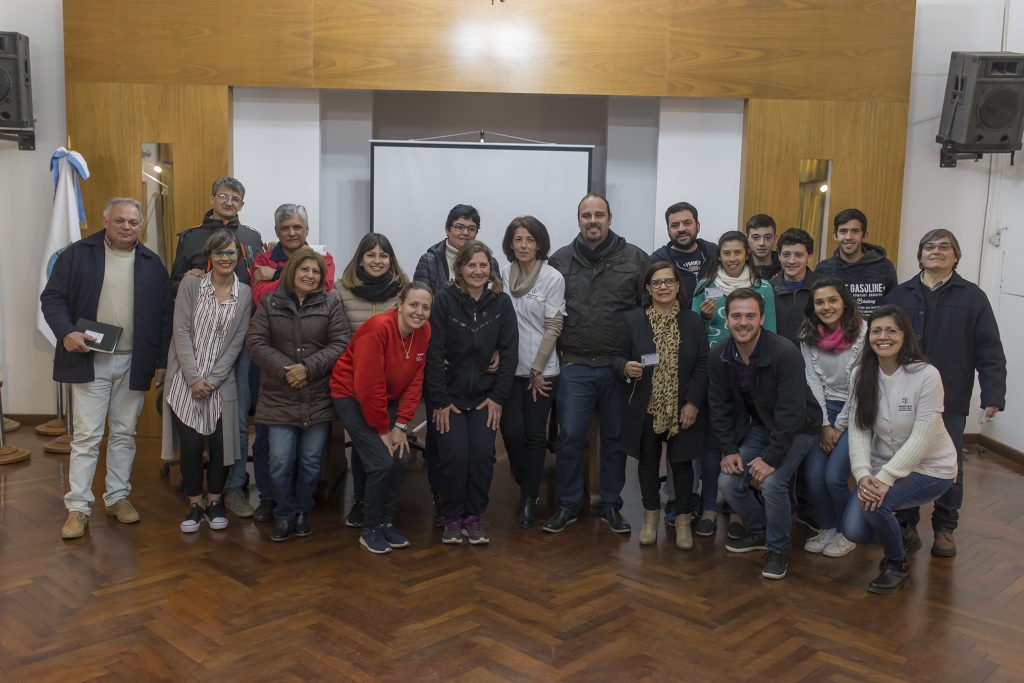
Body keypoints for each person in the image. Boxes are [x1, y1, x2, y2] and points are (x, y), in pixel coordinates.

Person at [40, 198, 171, 539]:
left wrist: (160, 363)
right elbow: (51, 298)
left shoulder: (152, 263)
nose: (127, 226)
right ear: (105, 220)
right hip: (90, 359)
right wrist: (66, 332)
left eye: (133, 222)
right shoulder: (77, 254)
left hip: (134, 361)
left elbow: (164, 318)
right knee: (86, 436)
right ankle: (78, 509)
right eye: (120, 220)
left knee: (125, 433)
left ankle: (117, 498)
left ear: (140, 225)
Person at [881, 229, 1006, 557]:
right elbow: (877, 341)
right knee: (904, 458)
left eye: (944, 247)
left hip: (949, 396)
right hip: (903, 395)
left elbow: (989, 349)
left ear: (955, 256)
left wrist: (993, 393)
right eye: (929, 247)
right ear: (920, 254)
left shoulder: (973, 297)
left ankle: (945, 527)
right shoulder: (899, 295)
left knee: (950, 464)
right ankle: (906, 522)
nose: (936, 251)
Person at [543, 193, 649, 535]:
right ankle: (568, 504)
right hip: (574, 365)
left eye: (598, 215)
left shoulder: (635, 259)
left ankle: (611, 505)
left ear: (609, 217)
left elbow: (649, 313)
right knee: (570, 437)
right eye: (586, 215)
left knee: (615, 439)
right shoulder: (559, 260)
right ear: (578, 220)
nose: (592, 221)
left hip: (617, 369)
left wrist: (645, 362)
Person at [840, 305, 958, 594]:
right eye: (876, 330)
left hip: (932, 467)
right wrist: (863, 473)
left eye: (891, 330)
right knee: (853, 530)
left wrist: (884, 480)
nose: (883, 336)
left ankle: (896, 564)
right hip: (883, 466)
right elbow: (858, 429)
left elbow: (923, 437)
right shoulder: (860, 374)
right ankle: (902, 531)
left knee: (877, 506)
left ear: (905, 335)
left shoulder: (927, 375)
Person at [169, 177, 266, 520]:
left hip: (239, 340)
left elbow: (259, 284)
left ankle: (232, 486)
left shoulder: (253, 238)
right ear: (211, 198)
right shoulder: (192, 236)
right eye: (222, 196)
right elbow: (174, 284)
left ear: (242, 203)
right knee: (194, 418)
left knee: (236, 419)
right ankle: (196, 483)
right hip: (198, 340)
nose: (228, 201)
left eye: (235, 197)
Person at [711, 289, 821, 580]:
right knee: (728, 481)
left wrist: (771, 457)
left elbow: (792, 413)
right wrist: (729, 449)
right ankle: (759, 531)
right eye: (736, 315)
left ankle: (778, 549)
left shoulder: (785, 352)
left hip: (799, 426)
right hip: (762, 424)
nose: (743, 322)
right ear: (727, 319)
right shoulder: (719, 354)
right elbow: (718, 405)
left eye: (750, 315)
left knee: (771, 483)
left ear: (762, 318)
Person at [246, 247, 351, 541]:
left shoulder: (331, 304)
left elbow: (341, 343)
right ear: (292, 271)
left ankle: (303, 510)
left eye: (316, 271)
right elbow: (254, 342)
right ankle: (284, 513)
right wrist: (286, 369)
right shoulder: (271, 302)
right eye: (304, 269)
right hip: (278, 395)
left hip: (316, 396)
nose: (310, 275)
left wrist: (307, 367)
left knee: (310, 462)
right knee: (279, 460)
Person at [413, 204, 499, 525]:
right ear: (448, 228)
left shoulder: (487, 260)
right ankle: (441, 499)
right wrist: (440, 346)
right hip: (442, 353)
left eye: (471, 228)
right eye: (459, 227)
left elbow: (495, 301)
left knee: (474, 448)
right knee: (440, 438)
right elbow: (424, 303)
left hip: (477, 362)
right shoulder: (429, 260)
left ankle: (467, 505)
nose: (465, 232)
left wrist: (498, 349)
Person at [161, 229, 252, 532]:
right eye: (219, 252)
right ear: (210, 257)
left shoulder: (246, 294)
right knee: (190, 446)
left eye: (230, 252)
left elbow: (237, 343)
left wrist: (211, 380)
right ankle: (194, 504)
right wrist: (193, 378)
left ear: (238, 255)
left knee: (218, 445)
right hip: (185, 380)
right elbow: (181, 331)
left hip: (220, 383)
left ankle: (214, 501)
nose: (225, 258)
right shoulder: (191, 284)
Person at [427, 240, 518, 544]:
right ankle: (452, 517)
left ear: (490, 269)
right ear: (460, 268)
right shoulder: (443, 301)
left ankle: (473, 517)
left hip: (484, 399)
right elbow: (433, 353)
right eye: (471, 265)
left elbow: (510, 353)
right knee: (454, 455)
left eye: (483, 265)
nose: (478, 271)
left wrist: (497, 398)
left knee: (482, 455)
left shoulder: (501, 303)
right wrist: (439, 402)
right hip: (448, 400)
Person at [331, 283, 432, 554]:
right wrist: (383, 429)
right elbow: (368, 386)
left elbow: (415, 381)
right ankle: (370, 529)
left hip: (385, 400)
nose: (419, 312)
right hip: (351, 396)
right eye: (413, 305)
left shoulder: (424, 331)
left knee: (399, 459)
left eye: (425, 307)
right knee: (381, 463)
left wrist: (401, 426)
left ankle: (386, 522)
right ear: (400, 304)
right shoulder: (378, 328)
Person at [614, 262, 708, 549]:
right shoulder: (632, 320)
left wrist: (692, 402)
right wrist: (625, 367)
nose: (663, 287)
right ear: (647, 288)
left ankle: (682, 521)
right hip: (647, 405)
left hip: (682, 407)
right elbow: (616, 357)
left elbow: (703, 364)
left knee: (681, 465)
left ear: (678, 286)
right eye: (657, 283)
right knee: (648, 462)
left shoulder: (692, 321)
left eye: (669, 282)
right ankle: (651, 518)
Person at [690, 231, 776, 539]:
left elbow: (772, 332)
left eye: (738, 253)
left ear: (747, 254)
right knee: (715, 445)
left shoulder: (762, 287)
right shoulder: (704, 287)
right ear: (719, 256)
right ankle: (710, 506)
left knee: (748, 445)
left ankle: (741, 509)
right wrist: (701, 317)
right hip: (716, 373)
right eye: (726, 253)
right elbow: (692, 334)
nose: (732, 258)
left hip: (750, 378)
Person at [333, 232, 410, 528]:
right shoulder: (341, 290)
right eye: (371, 255)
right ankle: (361, 504)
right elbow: (338, 338)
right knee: (365, 446)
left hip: (391, 387)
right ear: (360, 259)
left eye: (383, 255)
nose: (377, 261)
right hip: (355, 385)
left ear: (391, 260)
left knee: (386, 450)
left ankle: (381, 509)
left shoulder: (403, 292)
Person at [498, 216, 565, 528]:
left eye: (530, 240)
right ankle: (528, 481)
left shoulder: (552, 278)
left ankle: (528, 498)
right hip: (509, 371)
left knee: (535, 435)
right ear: (511, 244)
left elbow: (553, 327)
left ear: (540, 243)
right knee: (511, 432)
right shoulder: (500, 274)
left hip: (542, 371)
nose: (524, 245)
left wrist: (538, 369)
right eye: (518, 239)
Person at [798, 278, 866, 558]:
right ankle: (828, 527)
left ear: (844, 302)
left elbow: (858, 385)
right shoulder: (807, 335)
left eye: (832, 300)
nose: (826, 307)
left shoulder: (863, 332)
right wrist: (825, 423)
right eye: (820, 302)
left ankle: (848, 531)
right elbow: (813, 383)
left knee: (835, 477)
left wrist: (838, 426)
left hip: (857, 412)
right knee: (813, 476)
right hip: (822, 410)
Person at [814, 208, 897, 316]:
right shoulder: (823, 269)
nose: (848, 237)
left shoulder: (885, 267)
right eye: (843, 231)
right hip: (836, 332)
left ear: (864, 235)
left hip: (874, 332)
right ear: (835, 235)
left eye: (855, 231)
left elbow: (893, 308)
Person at [649, 202, 718, 302]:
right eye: (675, 225)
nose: (681, 229)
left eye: (687, 223)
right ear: (668, 230)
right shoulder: (656, 261)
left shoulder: (714, 252)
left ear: (698, 226)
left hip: (714, 316)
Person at [770, 228, 820, 345]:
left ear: (809, 256)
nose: (791, 261)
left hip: (816, 357)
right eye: (786, 255)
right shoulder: (768, 289)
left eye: (798, 255)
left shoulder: (824, 287)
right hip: (779, 358)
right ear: (779, 255)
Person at [745, 214, 780, 280]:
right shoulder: (739, 267)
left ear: (775, 239)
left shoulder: (785, 268)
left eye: (767, 237)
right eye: (755, 237)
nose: (762, 243)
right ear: (747, 239)